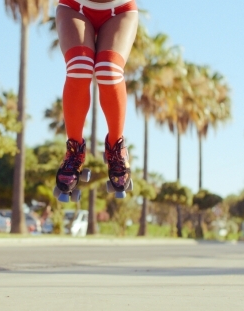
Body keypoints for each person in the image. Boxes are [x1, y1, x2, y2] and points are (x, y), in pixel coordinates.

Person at [54, 0, 139, 199]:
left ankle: (116, 148)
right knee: (79, 66)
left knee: (109, 70)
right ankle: (74, 149)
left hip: (120, 9)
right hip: (74, 6)